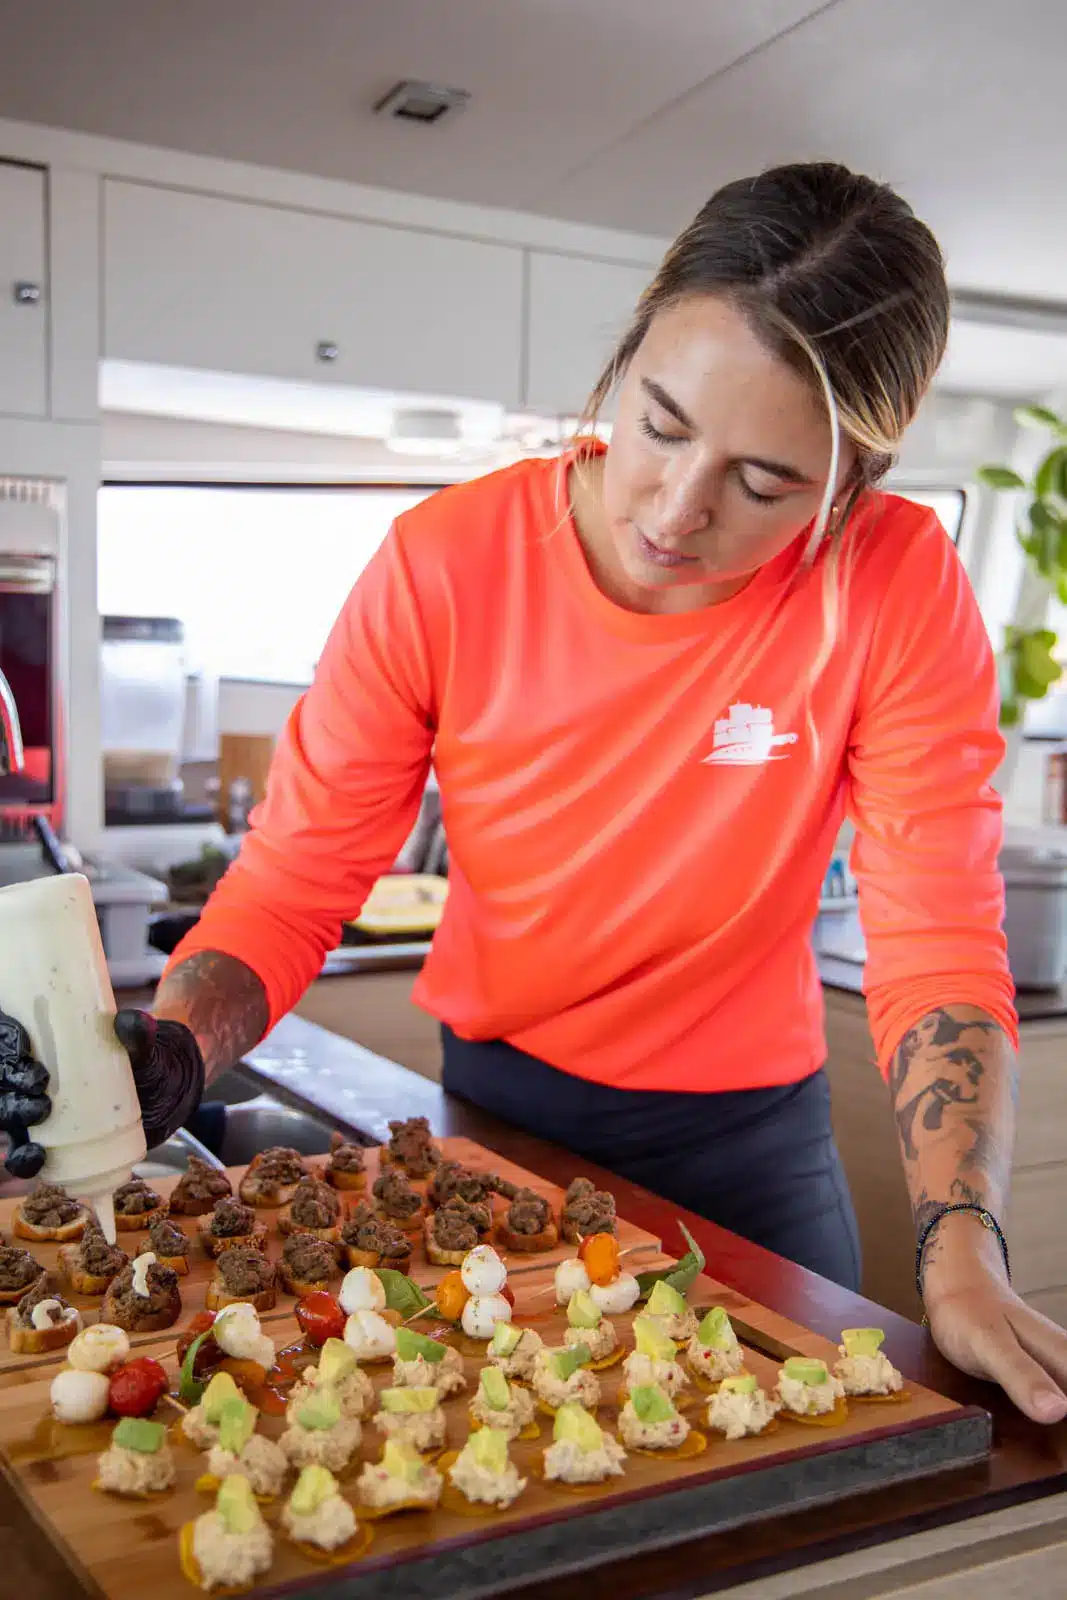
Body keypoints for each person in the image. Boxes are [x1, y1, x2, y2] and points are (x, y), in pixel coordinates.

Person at [118, 162, 1067, 1425]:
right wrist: (175, 1046)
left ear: (850, 485)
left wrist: (962, 1248)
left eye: (764, 481)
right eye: (661, 422)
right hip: (488, 1126)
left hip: (752, 1148)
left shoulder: (894, 585)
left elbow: (937, 935)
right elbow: (297, 876)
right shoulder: (442, 563)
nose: (673, 511)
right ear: (623, 358)